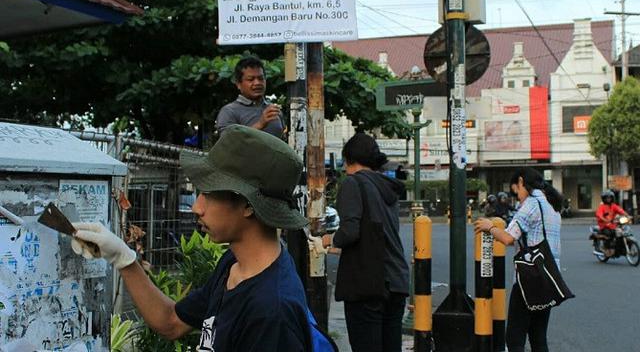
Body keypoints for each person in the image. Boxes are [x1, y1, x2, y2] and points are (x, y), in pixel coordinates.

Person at [70, 125, 313, 351]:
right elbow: (172, 321)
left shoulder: (272, 311)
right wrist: (123, 258)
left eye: (208, 193)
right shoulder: (234, 264)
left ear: (249, 205)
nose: (197, 207)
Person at [321, 133, 409, 352]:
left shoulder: (353, 183)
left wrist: (329, 239)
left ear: (349, 159)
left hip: (368, 284)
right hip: (396, 281)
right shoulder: (387, 187)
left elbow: (350, 231)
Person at [474, 168, 563, 352]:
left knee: (515, 336)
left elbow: (508, 238)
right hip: (549, 277)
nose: (517, 196)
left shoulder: (531, 204)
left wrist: (489, 227)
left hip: (529, 278)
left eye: (516, 190)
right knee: (538, 336)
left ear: (522, 182)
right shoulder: (552, 205)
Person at [216, 56, 284, 137]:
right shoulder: (229, 111)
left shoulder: (273, 110)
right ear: (238, 84)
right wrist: (260, 124)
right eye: (250, 79)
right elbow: (227, 142)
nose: (257, 83)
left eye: (261, 78)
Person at [595, 189, 629, 256]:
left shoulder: (613, 206)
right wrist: (605, 220)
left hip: (613, 225)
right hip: (604, 226)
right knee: (609, 234)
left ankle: (619, 248)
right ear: (604, 198)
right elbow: (599, 215)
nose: (608, 199)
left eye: (610, 197)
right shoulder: (601, 207)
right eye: (607, 198)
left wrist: (627, 215)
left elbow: (620, 210)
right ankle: (607, 248)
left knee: (623, 231)